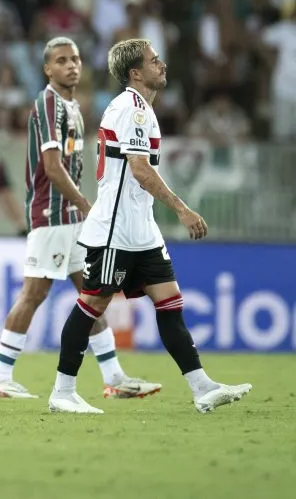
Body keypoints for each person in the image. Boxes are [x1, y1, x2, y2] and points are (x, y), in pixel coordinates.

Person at [48, 38, 252, 414]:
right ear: (136, 72)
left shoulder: (142, 109)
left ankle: (201, 387)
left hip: (141, 230)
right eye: (154, 61)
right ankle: (62, 392)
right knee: (93, 303)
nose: (162, 65)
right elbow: (140, 171)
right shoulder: (132, 109)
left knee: (170, 302)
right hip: (116, 228)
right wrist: (182, 209)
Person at [0, 38, 160, 400]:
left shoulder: (73, 107)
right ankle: (0, 377)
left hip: (71, 217)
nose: (71, 65)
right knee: (34, 292)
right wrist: (85, 203)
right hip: (52, 213)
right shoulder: (49, 102)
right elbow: (51, 166)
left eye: (76, 59)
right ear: (48, 69)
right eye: (61, 60)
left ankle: (114, 377)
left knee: (93, 294)